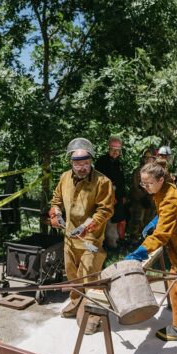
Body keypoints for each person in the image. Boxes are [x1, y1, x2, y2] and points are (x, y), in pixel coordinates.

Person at [124, 159, 177, 342]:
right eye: (142, 183)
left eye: (148, 183)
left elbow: (161, 235)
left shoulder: (170, 197)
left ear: (160, 180)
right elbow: (169, 214)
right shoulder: (165, 189)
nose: (145, 187)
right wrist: (157, 219)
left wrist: (139, 252)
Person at [49, 138, 114, 335]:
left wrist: (87, 226)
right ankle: (76, 302)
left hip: (91, 240)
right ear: (71, 162)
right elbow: (56, 200)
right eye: (78, 164)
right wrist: (55, 214)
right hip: (69, 238)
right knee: (72, 275)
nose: (82, 167)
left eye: (86, 163)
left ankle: (93, 315)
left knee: (90, 277)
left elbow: (105, 210)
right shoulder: (64, 178)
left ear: (91, 161)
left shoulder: (102, 182)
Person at [94, 136, 127, 249]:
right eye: (113, 149)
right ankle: (105, 245)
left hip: (118, 199)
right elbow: (100, 182)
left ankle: (116, 243)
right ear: (109, 148)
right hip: (106, 199)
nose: (115, 152)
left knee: (119, 220)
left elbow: (121, 181)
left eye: (118, 149)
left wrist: (123, 196)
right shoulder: (102, 162)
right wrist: (111, 197)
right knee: (105, 220)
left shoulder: (119, 163)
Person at [127, 150, 156, 243]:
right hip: (138, 202)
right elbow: (135, 186)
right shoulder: (138, 171)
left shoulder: (155, 172)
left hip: (151, 201)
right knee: (136, 220)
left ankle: (146, 240)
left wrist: (150, 197)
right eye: (146, 158)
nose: (148, 160)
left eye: (150, 158)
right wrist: (142, 197)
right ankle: (133, 240)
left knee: (149, 221)